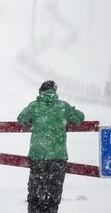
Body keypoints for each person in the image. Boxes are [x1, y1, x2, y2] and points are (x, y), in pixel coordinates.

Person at [17, 80, 85, 213]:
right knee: (54, 194)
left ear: (40, 92)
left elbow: (21, 119)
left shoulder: (34, 106)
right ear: (55, 91)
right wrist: (72, 111)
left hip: (38, 156)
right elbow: (79, 118)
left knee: (35, 193)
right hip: (58, 157)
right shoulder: (63, 106)